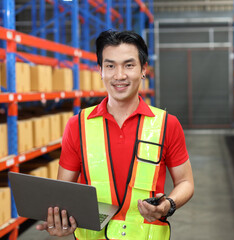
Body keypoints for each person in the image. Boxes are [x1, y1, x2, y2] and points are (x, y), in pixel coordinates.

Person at [36, 30, 194, 239]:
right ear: (100, 71)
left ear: (143, 69)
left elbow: (185, 182)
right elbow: (64, 192)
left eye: (129, 65)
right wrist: (62, 220)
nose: (119, 75)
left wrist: (168, 205)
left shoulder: (166, 124)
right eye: (110, 66)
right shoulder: (78, 125)